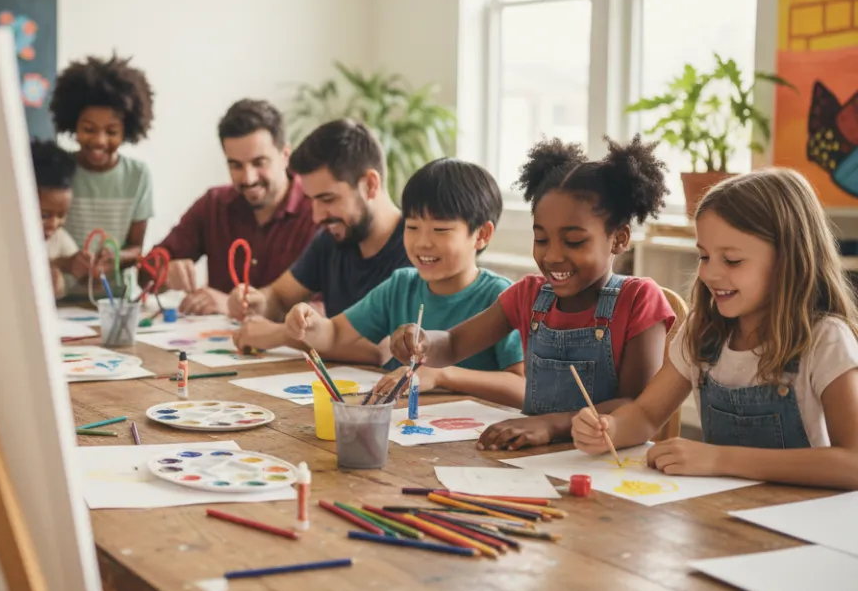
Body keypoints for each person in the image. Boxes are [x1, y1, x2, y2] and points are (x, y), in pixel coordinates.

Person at [383, 136, 675, 450]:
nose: (552, 256)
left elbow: (636, 405)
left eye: (574, 241)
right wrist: (424, 341)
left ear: (618, 239)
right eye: (541, 239)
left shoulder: (638, 300)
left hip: (605, 460)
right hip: (532, 454)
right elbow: (454, 343)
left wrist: (551, 425)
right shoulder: (529, 295)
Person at [573, 169, 858, 490]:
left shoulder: (825, 339)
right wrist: (609, 428)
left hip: (803, 524)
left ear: (787, 260)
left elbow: (853, 463)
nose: (709, 274)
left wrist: (721, 459)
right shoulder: (702, 332)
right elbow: (646, 414)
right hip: (720, 517)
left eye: (732, 261)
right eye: (704, 256)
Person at [285, 159, 525, 400]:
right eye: (412, 227)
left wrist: (442, 376)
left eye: (440, 230)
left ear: (481, 235)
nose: (422, 242)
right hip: (397, 427)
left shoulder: (500, 297)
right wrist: (310, 324)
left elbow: (521, 387)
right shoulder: (400, 285)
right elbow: (335, 334)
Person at [232, 119, 412, 352]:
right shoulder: (332, 238)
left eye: (327, 199)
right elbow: (280, 295)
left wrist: (282, 335)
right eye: (311, 200)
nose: (316, 216)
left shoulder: (417, 249)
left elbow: (388, 348)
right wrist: (258, 303)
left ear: (370, 184)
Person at [156, 99, 316, 315]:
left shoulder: (318, 211)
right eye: (235, 165)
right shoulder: (214, 204)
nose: (248, 178)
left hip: (290, 347)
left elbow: (328, 311)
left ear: (285, 155)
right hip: (210, 344)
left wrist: (235, 308)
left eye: (259, 163)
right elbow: (145, 273)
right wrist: (165, 272)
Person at [49, 53, 155, 295]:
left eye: (112, 131)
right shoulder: (58, 171)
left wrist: (116, 257)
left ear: (127, 130)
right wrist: (68, 262)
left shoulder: (138, 176)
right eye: (88, 129)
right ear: (73, 125)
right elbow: (35, 244)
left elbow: (137, 248)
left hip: (115, 304)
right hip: (62, 301)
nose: (99, 140)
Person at [30, 139, 78, 298]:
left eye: (61, 215)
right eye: (44, 215)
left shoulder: (60, 239)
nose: (53, 224)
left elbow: (72, 278)